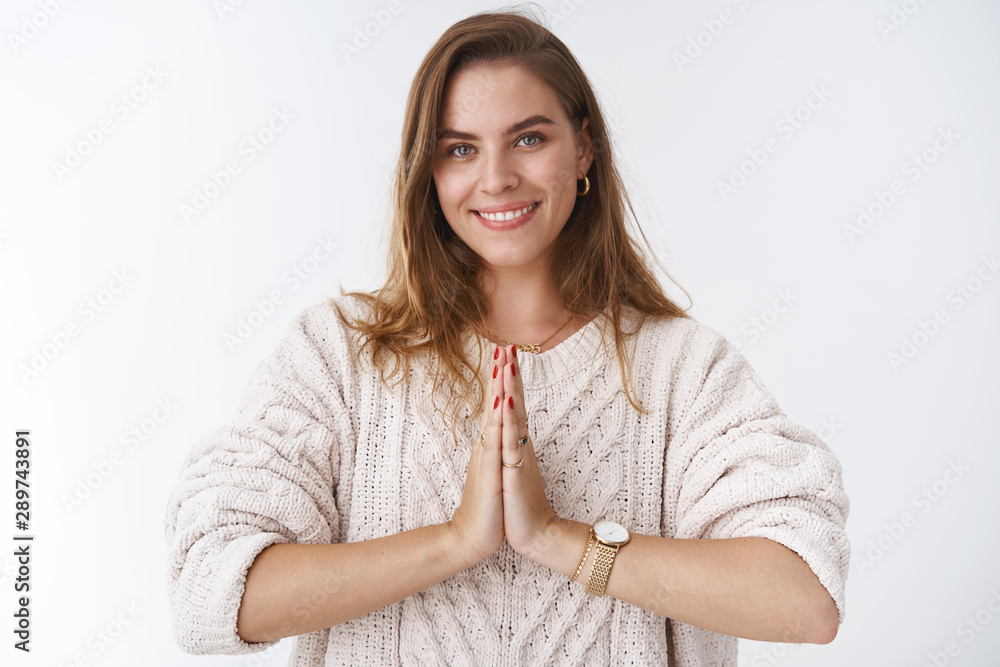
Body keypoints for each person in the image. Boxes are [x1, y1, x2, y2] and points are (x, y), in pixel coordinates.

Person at [163, 6, 850, 666]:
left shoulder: (682, 369)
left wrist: (557, 538)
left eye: (529, 139)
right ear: (428, 172)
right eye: (460, 149)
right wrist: (455, 541)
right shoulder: (340, 354)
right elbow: (209, 592)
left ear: (583, 148)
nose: (496, 179)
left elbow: (805, 599)